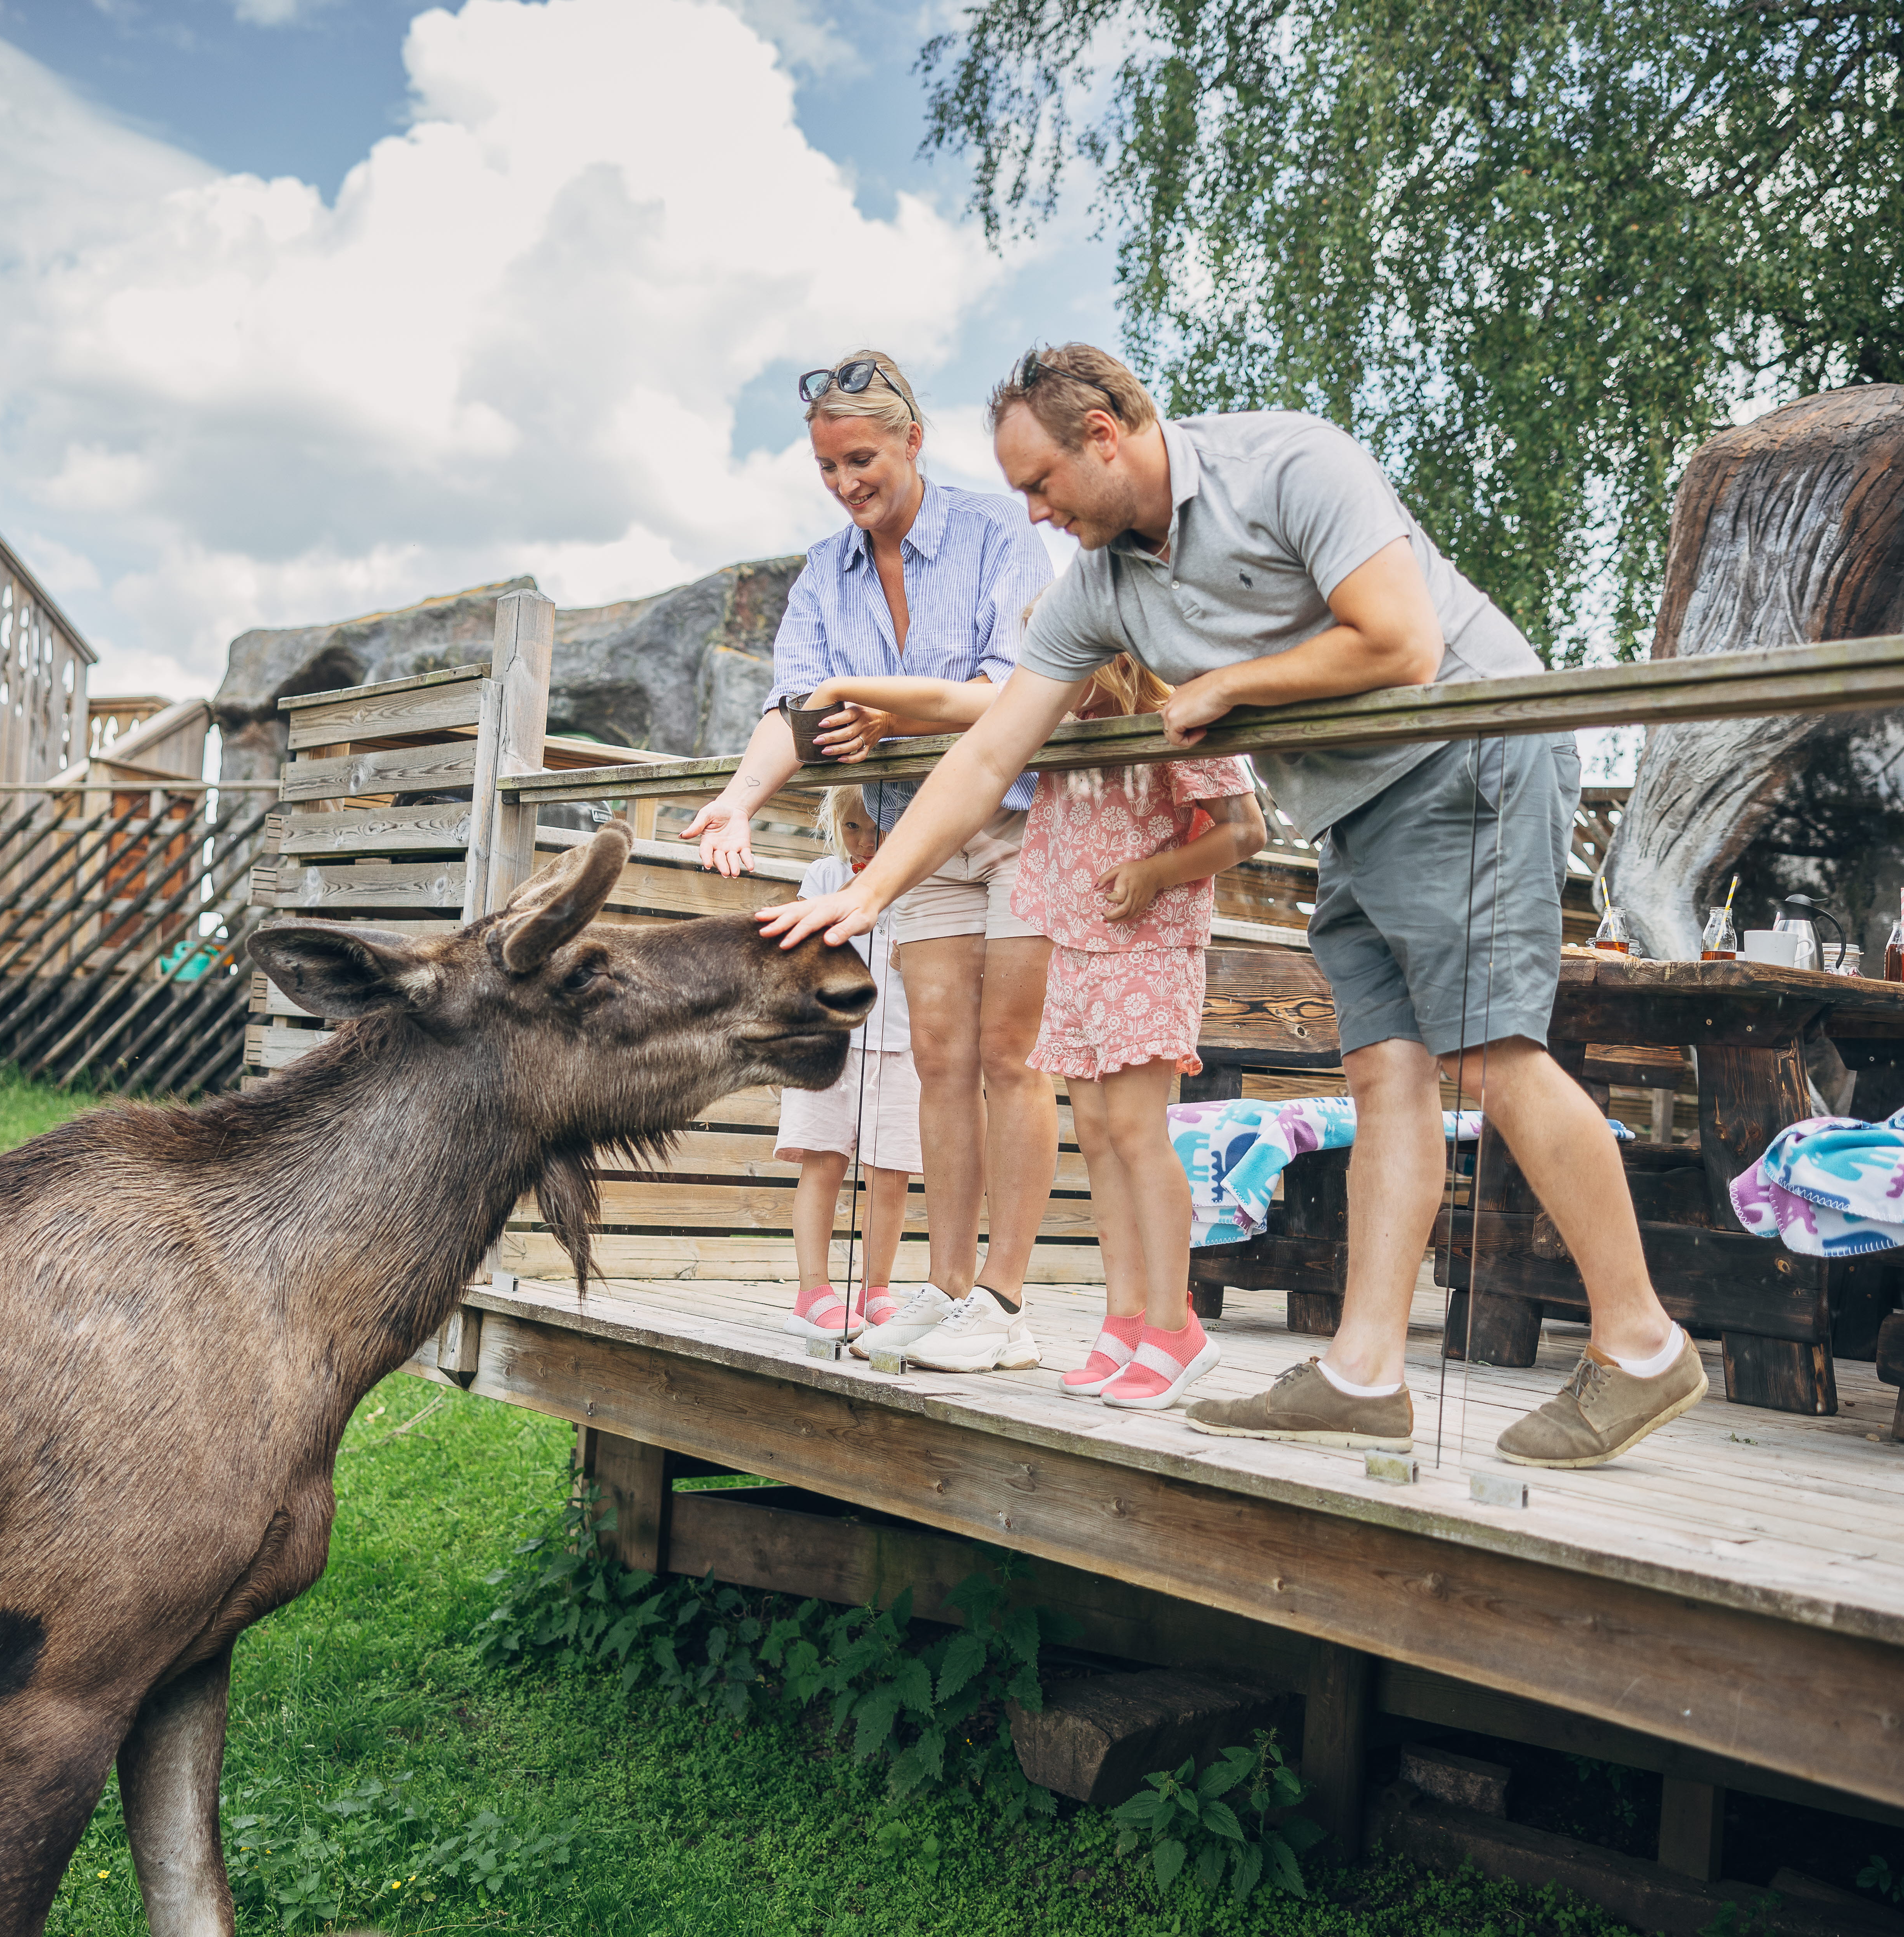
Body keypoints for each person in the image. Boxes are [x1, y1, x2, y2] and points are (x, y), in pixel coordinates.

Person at [760, 342, 1705, 1469]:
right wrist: (864, 893)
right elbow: (984, 755)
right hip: (1353, 804)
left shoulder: (1289, 463)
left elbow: (1398, 640)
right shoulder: (1100, 587)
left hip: (1464, 751)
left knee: (1487, 1049)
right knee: (1384, 1073)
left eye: (1041, 483)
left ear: (1104, 435)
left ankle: (1639, 1342)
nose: (1032, 510)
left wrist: (1230, 686)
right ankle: (1362, 1374)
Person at [682, 349, 1058, 1374]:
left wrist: (876, 698)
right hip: (915, 837)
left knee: (1007, 1060)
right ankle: (942, 1293)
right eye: (828, 469)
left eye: (863, 460)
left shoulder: (993, 535)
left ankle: (1005, 1302)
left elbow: (1016, 693)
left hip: (1022, 822)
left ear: (910, 442)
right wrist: (736, 800)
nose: (848, 485)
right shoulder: (825, 571)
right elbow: (795, 710)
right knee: (937, 1061)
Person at [1012, 651, 1264, 1406]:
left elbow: (1244, 830)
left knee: (1134, 1129)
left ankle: (1173, 1324)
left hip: (1147, 948)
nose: (1043, 668)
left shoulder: (1178, 719)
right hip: (1073, 945)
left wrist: (1158, 873)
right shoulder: (1058, 723)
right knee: (1093, 1130)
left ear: (1110, 655)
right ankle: (1124, 1316)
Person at [777, 789, 920, 1342]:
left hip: (902, 1046)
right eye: (854, 827)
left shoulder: (924, 884)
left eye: (880, 828)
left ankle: (876, 1288)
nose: (865, 841)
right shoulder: (823, 876)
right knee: (824, 1162)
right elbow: (808, 948)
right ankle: (814, 1291)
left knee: (891, 1174)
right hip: (829, 1045)